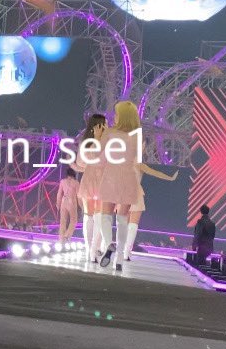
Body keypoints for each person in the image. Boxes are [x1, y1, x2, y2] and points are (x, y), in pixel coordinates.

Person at [98, 101, 179, 272]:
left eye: (117, 113)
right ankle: (120, 259)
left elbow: (101, 158)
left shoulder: (109, 133)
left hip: (111, 176)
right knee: (122, 220)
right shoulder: (137, 137)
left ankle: (108, 244)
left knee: (105, 216)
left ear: (121, 115)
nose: (115, 116)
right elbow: (138, 161)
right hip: (128, 179)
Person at [73, 113, 106, 265]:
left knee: (92, 216)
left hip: (93, 178)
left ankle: (91, 249)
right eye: (104, 124)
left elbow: (81, 162)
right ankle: (92, 249)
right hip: (99, 179)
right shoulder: (105, 142)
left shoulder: (87, 142)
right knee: (95, 216)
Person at [55, 169, 79, 244]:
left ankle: (61, 239)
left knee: (63, 221)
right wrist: (81, 204)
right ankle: (67, 235)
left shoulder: (63, 181)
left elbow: (59, 193)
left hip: (63, 200)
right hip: (72, 201)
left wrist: (58, 203)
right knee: (74, 220)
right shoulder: (76, 183)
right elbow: (78, 195)